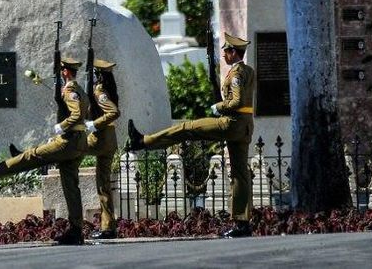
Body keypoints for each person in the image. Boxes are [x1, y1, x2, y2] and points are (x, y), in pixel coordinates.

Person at [127, 32, 255, 238]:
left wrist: (219, 106)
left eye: (226, 51)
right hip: (245, 126)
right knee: (240, 174)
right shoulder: (248, 70)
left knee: (187, 128)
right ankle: (242, 222)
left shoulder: (237, 74)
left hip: (230, 123)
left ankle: (144, 141)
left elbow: (236, 102)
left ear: (233, 52)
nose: (223, 55)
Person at [0, 57, 89, 245]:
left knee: (32, 155)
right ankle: (76, 231)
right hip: (79, 143)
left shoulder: (70, 89)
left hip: (68, 142)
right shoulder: (80, 90)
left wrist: (62, 125)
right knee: (70, 186)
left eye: (62, 71)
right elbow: (84, 112)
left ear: (66, 72)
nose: (60, 73)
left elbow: (76, 114)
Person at [85, 59, 120, 240]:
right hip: (109, 140)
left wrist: (94, 124)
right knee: (103, 186)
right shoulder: (110, 89)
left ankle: (39, 155)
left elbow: (113, 112)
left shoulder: (99, 90)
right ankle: (108, 227)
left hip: (99, 139)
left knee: (65, 148)